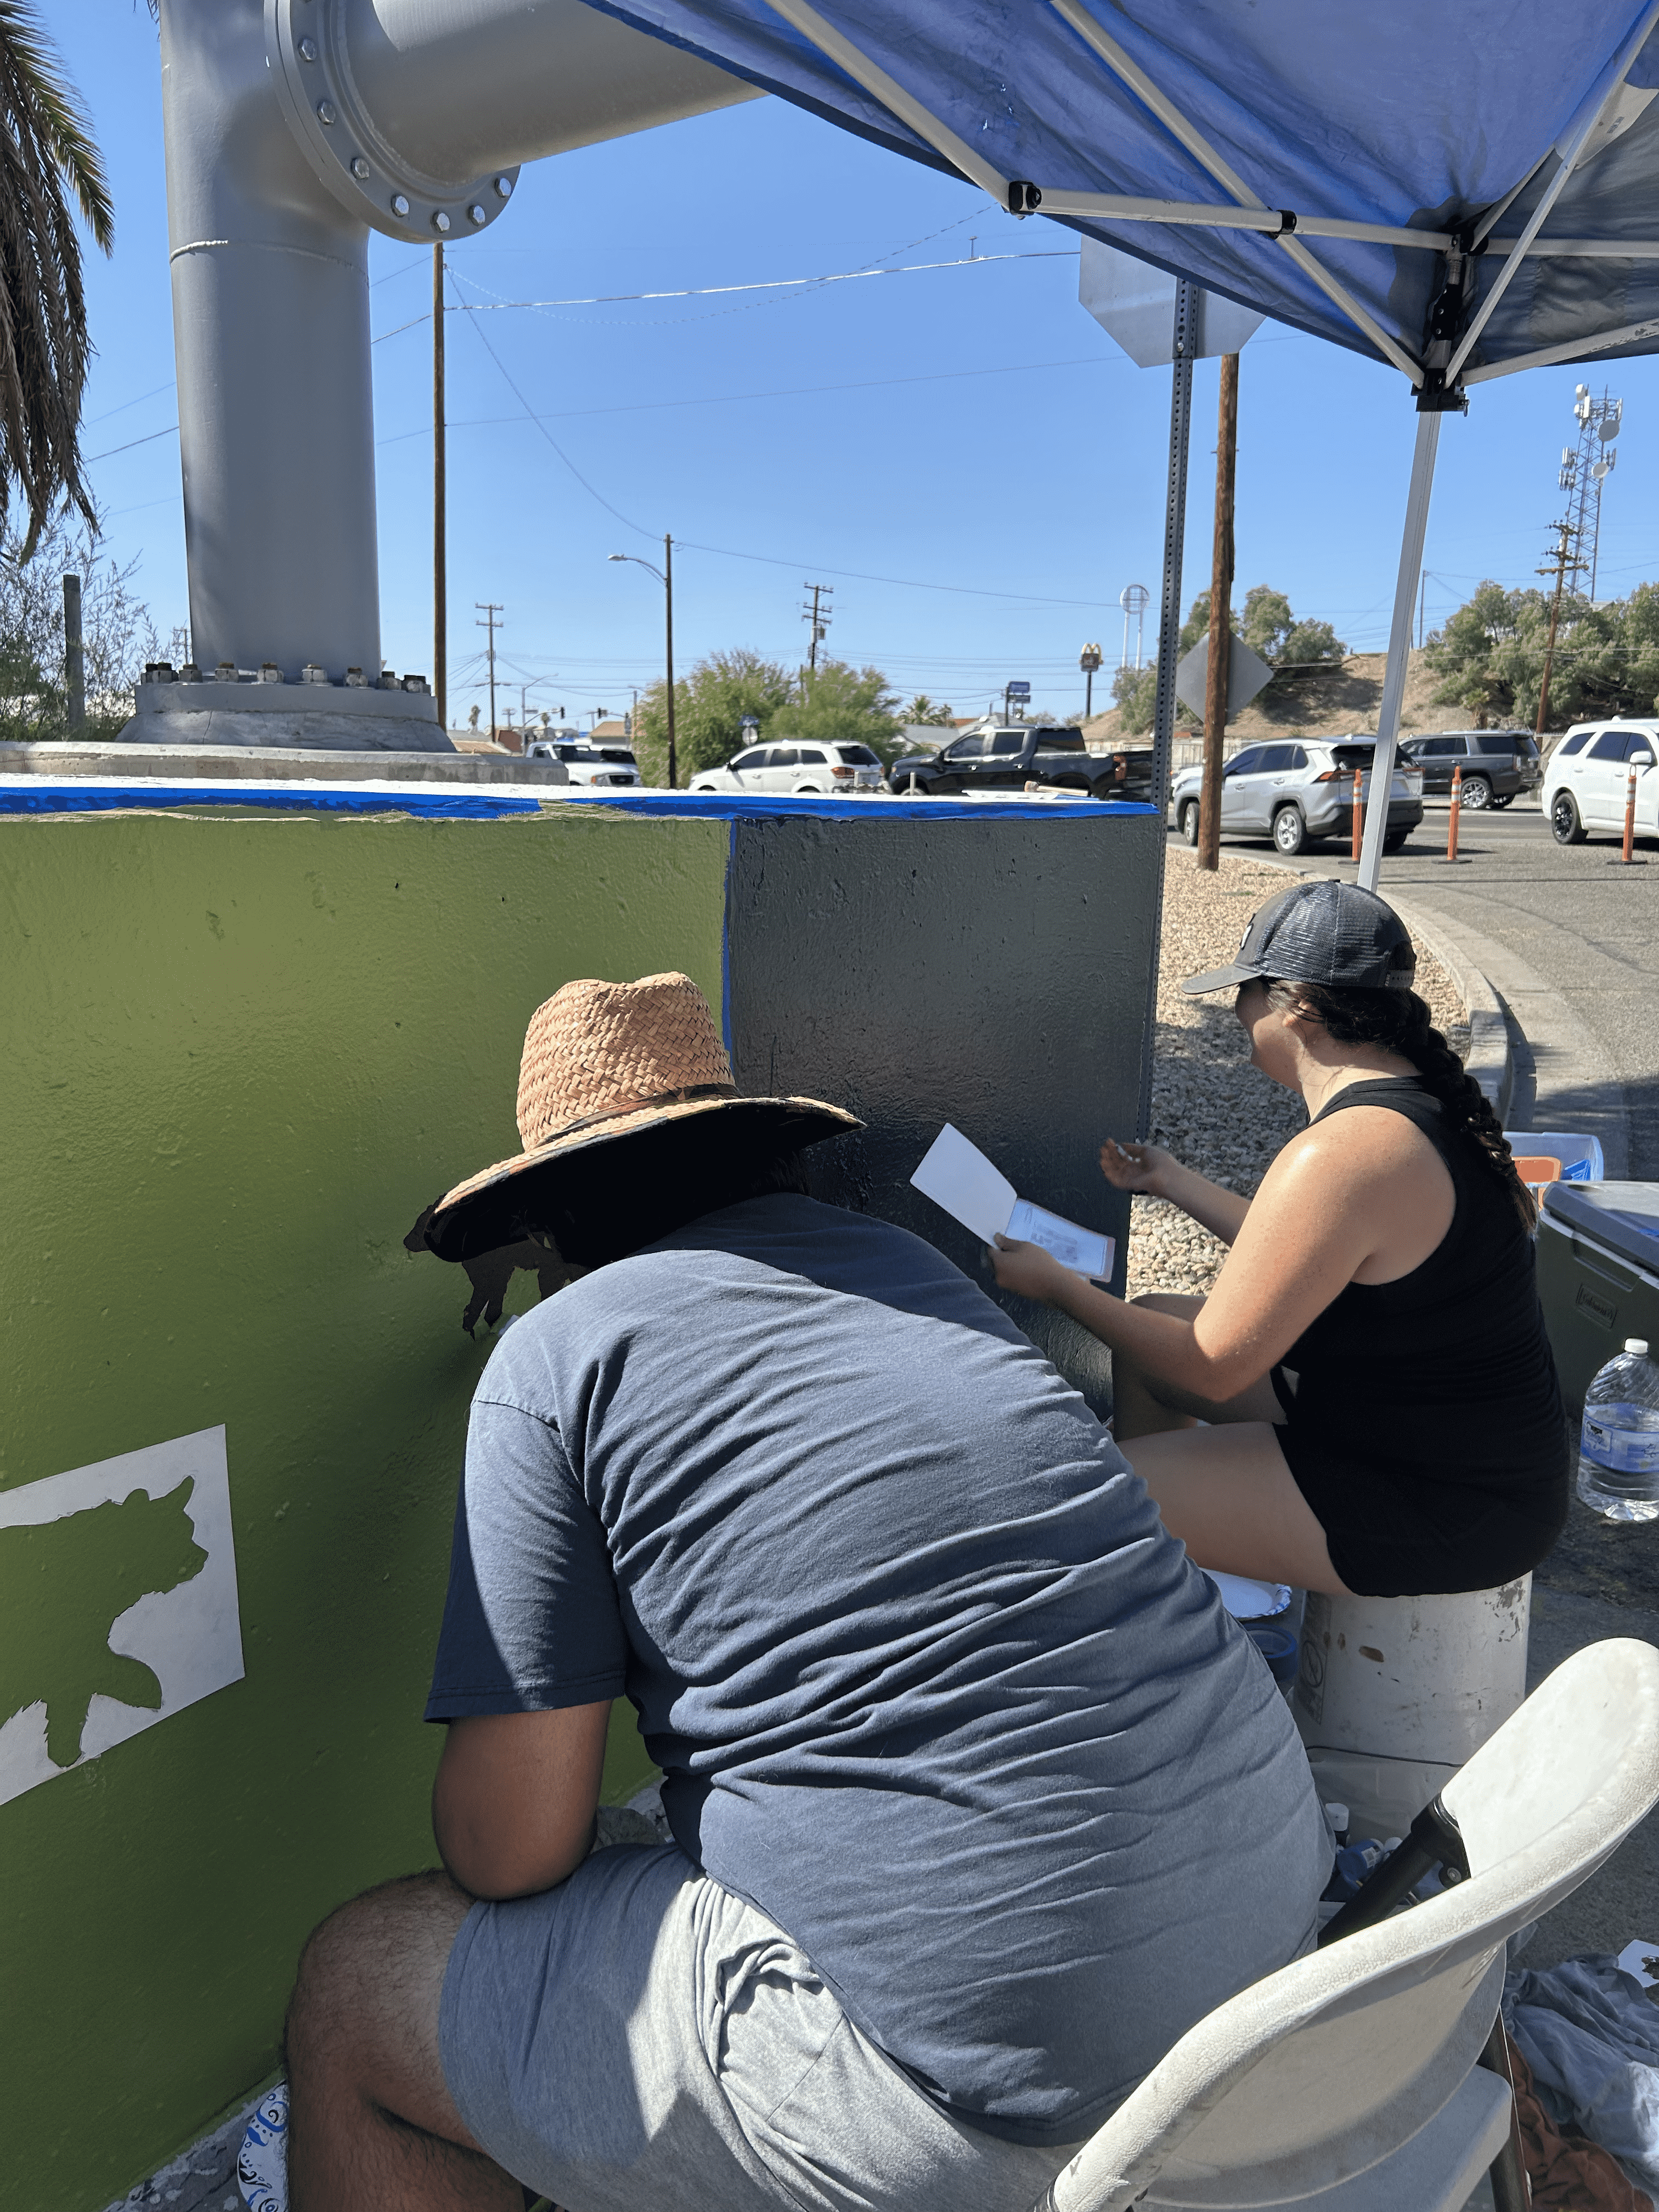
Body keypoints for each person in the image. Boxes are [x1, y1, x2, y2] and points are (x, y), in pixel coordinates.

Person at [281, 969, 1330, 2212]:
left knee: (356, 1986)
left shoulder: (556, 1357)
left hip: (1025, 2108)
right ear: (750, 1152)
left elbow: (511, 1851)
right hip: (1293, 1979)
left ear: (551, 1227)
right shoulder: (908, 1265)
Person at [991, 879, 1570, 1601]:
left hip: (1444, 1501)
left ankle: (1151, 1584)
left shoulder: (1347, 1151)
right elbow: (1307, 1254)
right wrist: (1175, 1182)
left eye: (1246, 991)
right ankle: (1169, 1572)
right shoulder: (1411, 1100)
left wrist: (1058, 1288)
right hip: (1412, 1427)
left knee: (1089, 1499)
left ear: (1295, 1006)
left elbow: (1210, 1373)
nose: (1238, 1011)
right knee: (1159, 1325)